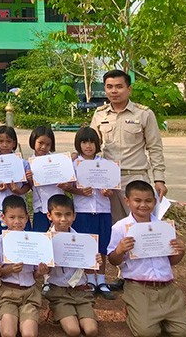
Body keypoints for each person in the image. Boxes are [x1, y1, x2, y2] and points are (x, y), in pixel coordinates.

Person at [107, 180, 186, 337]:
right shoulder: (120, 227)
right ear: (127, 201)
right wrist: (119, 250)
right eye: (137, 201)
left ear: (154, 202)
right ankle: (133, 312)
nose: (143, 205)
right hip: (139, 288)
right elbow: (113, 260)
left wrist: (180, 252)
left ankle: (158, 316)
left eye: (148, 201)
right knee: (147, 332)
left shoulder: (164, 227)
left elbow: (172, 261)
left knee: (185, 332)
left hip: (166, 288)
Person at [90, 69, 167, 222]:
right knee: (113, 225)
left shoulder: (144, 114)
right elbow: (91, 147)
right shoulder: (99, 114)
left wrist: (159, 179)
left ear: (129, 89)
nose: (114, 91)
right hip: (109, 180)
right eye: (109, 87)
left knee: (141, 223)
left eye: (119, 86)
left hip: (136, 176)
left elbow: (155, 148)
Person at [0, 195, 49, 337]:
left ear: (27, 218)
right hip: (7, 294)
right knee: (8, 333)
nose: (17, 222)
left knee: (29, 334)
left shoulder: (34, 241)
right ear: (3, 218)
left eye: (21, 217)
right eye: (12, 217)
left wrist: (41, 272)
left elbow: (35, 274)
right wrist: (8, 269)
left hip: (29, 294)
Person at [44, 194, 102, 337]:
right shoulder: (45, 240)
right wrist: (46, 265)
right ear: (49, 216)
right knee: (73, 331)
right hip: (59, 292)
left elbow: (88, 269)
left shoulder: (83, 240)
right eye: (58, 215)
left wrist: (95, 262)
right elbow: (45, 272)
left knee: (91, 330)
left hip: (81, 291)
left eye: (68, 215)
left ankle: (76, 312)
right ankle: (55, 310)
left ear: (74, 216)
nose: (63, 219)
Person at [67, 127, 114, 299]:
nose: (88, 146)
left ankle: (101, 279)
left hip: (102, 209)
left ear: (97, 144)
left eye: (92, 142)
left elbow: (112, 188)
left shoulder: (105, 164)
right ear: (78, 145)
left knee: (102, 246)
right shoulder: (73, 164)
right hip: (82, 210)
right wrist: (80, 192)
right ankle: (89, 279)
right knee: (87, 246)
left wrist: (109, 192)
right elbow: (68, 187)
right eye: (84, 142)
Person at [0, 126, 31, 240]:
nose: (5, 145)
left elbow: (28, 185)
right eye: (1, 141)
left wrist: (18, 190)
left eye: (8, 141)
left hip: (18, 204)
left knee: (21, 235)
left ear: (14, 143)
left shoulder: (22, 163)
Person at [25, 126, 64, 233]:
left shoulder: (57, 162)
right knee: (41, 236)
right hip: (40, 208)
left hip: (57, 208)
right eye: (40, 143)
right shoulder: (28, 164)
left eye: (48, 144)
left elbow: (65, 180)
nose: (43, 147)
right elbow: (32, 187)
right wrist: (30, 180)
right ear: (33, 141)